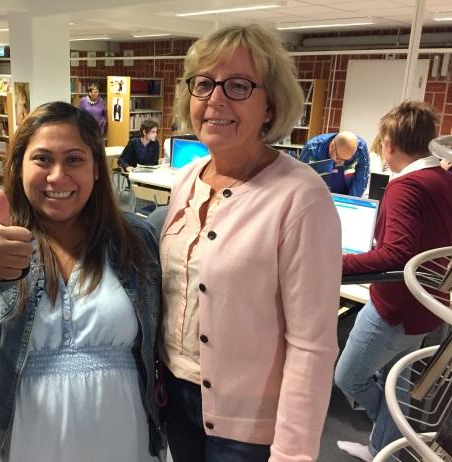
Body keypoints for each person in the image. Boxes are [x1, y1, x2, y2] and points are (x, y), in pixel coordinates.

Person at [0, 101, 165, 461]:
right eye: (41, 159)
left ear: (97, 168)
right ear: (19, 167)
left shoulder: (136, 238)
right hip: (24, 440)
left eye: (74, 160)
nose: (57, 176)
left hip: (124, 437)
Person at [159, 23, 341, 461]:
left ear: (269, 105)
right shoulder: (188, 178)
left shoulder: (301, 197)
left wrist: (293, 453)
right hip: (176, 401)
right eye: (204, 84)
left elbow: (312, 344)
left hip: (247, 428)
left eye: (238, 85)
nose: (215, 99)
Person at [335, 101, 452, 461]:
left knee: (348, 377)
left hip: (397, 307)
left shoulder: (407, 187)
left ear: (389, 144)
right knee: (395, 380)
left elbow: (395, 255)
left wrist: (332, 263)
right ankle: (380, 445)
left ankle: (386, 429)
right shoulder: (444, 177)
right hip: (428, 303)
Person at [299, 131, 370, 196]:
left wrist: (352, 202)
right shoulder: (311, 148)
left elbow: (361, 180)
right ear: (332, 146)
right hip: (316, 195)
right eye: (340, 158)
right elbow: (301, 178)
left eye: (347, 159)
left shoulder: (360, 148)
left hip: (345, 196)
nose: (342, 163)